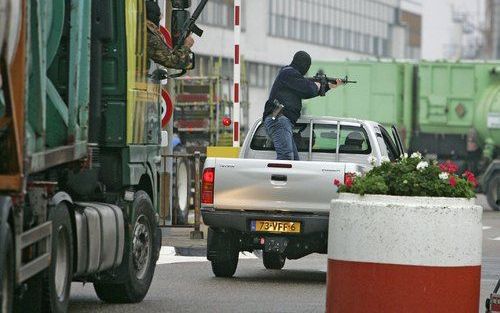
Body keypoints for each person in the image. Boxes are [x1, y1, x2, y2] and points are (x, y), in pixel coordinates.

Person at [262, 51, 343, 160]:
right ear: (303, 64)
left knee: (294, 161)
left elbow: (305, 91)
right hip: (279, 119)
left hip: (282, 121)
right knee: (286, 157)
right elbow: (308, 89)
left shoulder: (289, 74)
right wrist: (318, 84)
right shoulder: (289, 73)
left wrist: (328, 86)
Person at [145, 1, 195, 70]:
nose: (160, 18)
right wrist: (186, 46)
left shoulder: (142, 32)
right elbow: (173, 61)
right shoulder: (149, 36)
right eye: (159, 15)